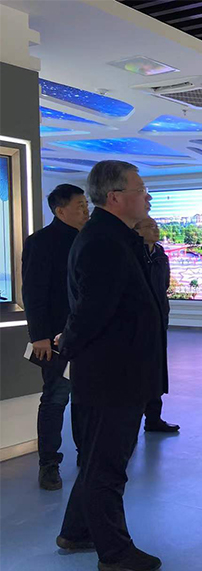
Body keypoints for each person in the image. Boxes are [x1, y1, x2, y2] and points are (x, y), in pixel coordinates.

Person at [56, 160, 163, 571]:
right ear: (116, 197)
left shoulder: (114, 237)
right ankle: (114, 552)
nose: (148, 197)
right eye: (141, 189)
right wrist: (68, 348)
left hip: (116, 372)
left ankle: (76, 531)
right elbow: (90, 313)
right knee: (108, 467)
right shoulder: (104, 242)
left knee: (97, 460)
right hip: (112, 375)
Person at [21, 184, 89, 490]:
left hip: (87, 335)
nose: (86, 210)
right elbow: (33, 291)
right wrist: (40, 336)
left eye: (86, 204)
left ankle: (87, 454)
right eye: (79, 206)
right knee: (55, 398)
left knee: (87, 398)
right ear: (60, 211)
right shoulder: (41, 242)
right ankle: (49, 464)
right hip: (56, 339)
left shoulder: (89, 239)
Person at [134, 217, 179, 433]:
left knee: (157, 369)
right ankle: (133, 420)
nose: (156, 230)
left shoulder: (160, 254)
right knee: (139, 370)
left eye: (156, 226)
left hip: (159, 316)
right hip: (139, 320)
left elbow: (165, 284)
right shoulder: (133, 255)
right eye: (150, 227)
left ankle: (154, 418)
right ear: (137, 231)